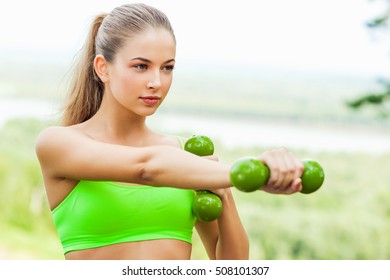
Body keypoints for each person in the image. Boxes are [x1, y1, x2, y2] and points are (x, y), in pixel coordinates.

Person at [35, 3, 304, 260]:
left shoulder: (187, 156)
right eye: (141, 66)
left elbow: (233, 266)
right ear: (103, 68)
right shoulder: (58, 144)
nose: (156, 82)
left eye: (167, 68)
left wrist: (223, 189)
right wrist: (248, 172)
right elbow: (147, 167)